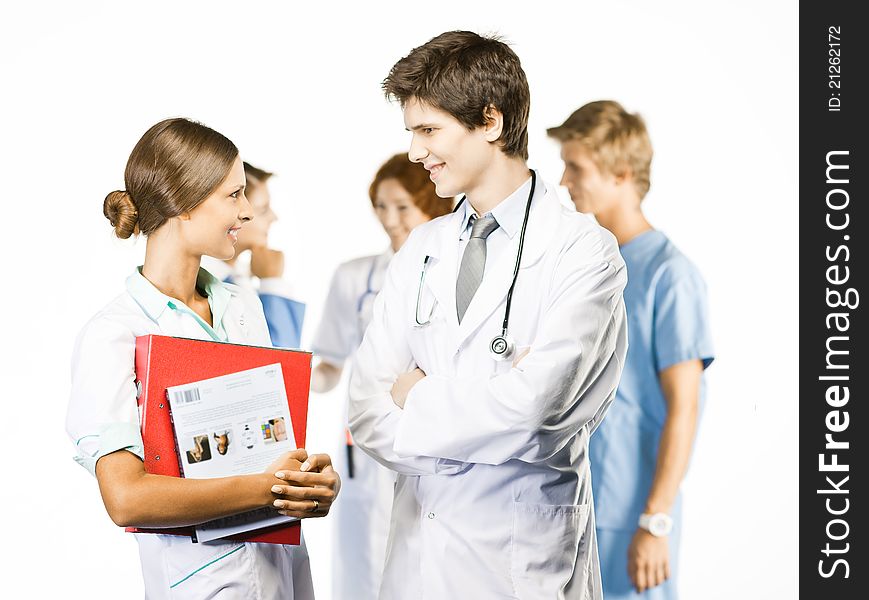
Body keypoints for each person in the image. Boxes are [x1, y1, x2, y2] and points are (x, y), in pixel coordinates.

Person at [348, 32, 628, 599]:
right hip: (417, 564)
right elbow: (363, 408)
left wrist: (417, 397)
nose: (414, 152)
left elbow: (534, 412)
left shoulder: (582, 250)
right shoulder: (421, 248)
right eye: (411, 133)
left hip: (519, 567)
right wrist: (487, 406)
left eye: (429, 131)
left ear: (491, 122)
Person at [66, 118, 341, 600]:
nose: (248, 212)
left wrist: (306, 483)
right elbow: (127, 499)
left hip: (283, 575)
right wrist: (270, 487)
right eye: (234, 195)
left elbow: (265, 439)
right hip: (202, 585)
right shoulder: (113, 335)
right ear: (184, 203)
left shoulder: (242, 307)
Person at [547, 100, 715, 599]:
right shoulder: (585, 270)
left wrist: (656, 519)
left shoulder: (671, 277)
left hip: (630, 518)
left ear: (621, 173)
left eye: (575, 167)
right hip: (569, 506)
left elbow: (686, 407)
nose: (563, 181)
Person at [309, 153, 451, 600]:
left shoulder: (455, 269)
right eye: (381, 206)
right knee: (363, 561)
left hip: (438, 429)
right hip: (366, 445)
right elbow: (330, 363)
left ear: (430, 201)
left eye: (402, 206)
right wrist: (283, 379)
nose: (390, 220)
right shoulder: (355, 277)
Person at [201, 161, 306, 348]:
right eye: (263, 209)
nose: (274, 217)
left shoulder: (240, 278)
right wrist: (273, 283)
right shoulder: (205, 287)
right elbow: (278, 363)